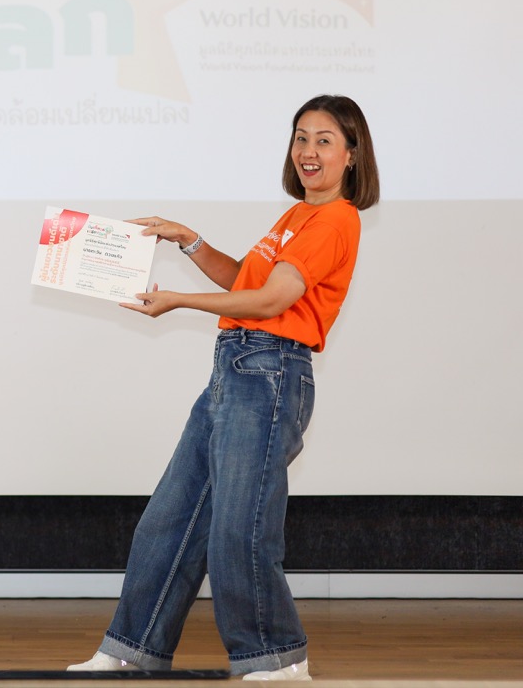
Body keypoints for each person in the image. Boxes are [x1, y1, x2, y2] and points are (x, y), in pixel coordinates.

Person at [67, 95, 379, 681]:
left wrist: (179, 300)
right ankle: (133, 649)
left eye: (324, 140)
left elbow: (272, 301)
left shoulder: (337, 218)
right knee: (170, 518)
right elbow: (246, 283)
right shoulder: (297, 217)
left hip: (270, 372)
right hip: (236, 368)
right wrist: (189, 239)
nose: (308, 151)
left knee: (240, 526)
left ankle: (278, 657)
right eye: (301, 137)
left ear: (352, 155)